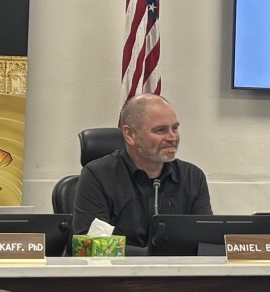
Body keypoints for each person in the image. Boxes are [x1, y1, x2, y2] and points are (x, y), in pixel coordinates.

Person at [73, 93, 212, 249]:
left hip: (178, 265)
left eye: (175, 128)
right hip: (117, 266)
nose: (172, 137)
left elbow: (205, 242)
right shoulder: (97, 175)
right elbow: (90, 245)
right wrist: (151, 256)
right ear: (130, 134)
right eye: (160, 130)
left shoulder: (192, 177)